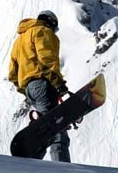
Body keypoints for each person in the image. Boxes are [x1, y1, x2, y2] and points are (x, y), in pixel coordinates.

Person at [7, 10, 71, 162]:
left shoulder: (19, 41)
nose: (54, 31)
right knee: (56, 129)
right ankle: (63, 169)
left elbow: (12, 74)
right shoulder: (43, 31)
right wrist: (58, 84)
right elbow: (47, 59)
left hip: (30, 90)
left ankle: (33, 165)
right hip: (43, 84)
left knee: (43, 129)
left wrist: (26, 88)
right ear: (51, 22)